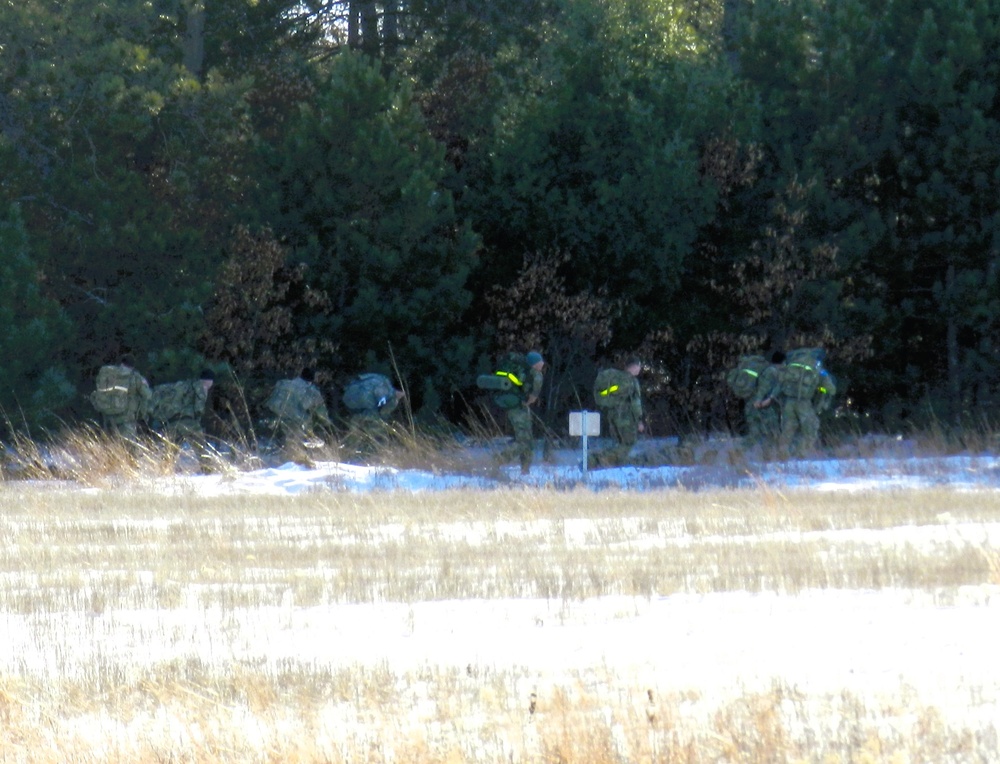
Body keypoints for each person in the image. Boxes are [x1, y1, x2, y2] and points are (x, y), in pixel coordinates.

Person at [265, 367, 332, 464]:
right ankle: (291, 465)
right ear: (312, 378)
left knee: (281, 444)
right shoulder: (311, 391)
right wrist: (328, 424)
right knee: (294, 446)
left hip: (276, 419)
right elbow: (320, 412)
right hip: (296, 422)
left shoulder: (284, 384)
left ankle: (277, 462)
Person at [590, 357, 645, 468]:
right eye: (639, 367)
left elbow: (606, 393)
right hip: (627, 418)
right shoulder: (631, 382)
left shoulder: (618, 381)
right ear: (634, 367)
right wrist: (639, 420)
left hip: (614, 416)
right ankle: (596, 461)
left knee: (620, 443)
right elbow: (635, 403)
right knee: (628, 443)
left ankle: (613, 463)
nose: (639, 369)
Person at [89, 353, 152, 441]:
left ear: (121, 363)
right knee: (128, 447)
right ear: (133, 365)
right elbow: (148, 395)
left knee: (109, 445)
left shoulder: (109, 374)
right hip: (127, 418)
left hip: (108, 416)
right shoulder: (135, 377)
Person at [504, 351, 545, 474]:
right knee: (525, 441)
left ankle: (525, 470)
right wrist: (529, 400)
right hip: (520, 409)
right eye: (540, 361)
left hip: (513, 407)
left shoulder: (521, 372)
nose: (542, 363)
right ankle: (499, 460)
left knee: (526, 440)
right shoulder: (536, 375)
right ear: (535, 364)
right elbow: (533, 397)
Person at [748, 351, 785, 458]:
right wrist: (759, 400)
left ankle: (767, 455)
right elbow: (763, 388)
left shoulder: (774, 371)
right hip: (764, 406)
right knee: (770, 432)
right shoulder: (771, 372)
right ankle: (766, 456)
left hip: (767, 405)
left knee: (769, 432)